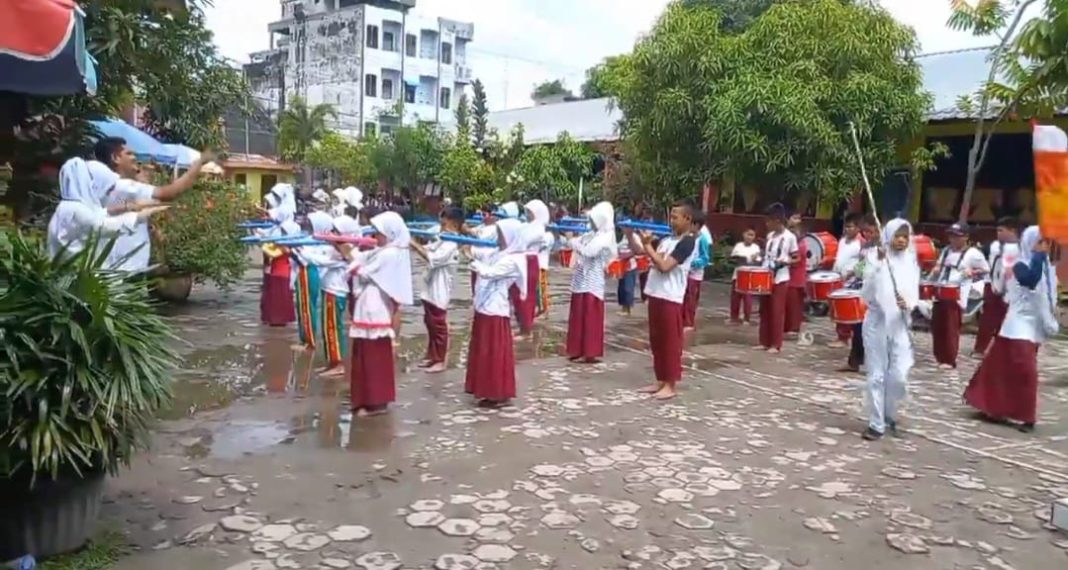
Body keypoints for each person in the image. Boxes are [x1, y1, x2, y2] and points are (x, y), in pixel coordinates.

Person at [963, 226, 1058, 433]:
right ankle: (1022, 414)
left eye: (1046, 243)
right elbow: (1029, 280)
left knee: (1010, 370)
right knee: (1023, 372)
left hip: (1034, 327)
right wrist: (1039, 256)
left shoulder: (1047, 268)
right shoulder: (1018, 264)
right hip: (1017, 325)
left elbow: (1049, 296)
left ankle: (1003, 409)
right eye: (1040, 242)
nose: (1044, 247)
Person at [93, 137, 212, 274]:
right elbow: (169, 193)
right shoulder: (122, 187)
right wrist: (198, 164)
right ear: (115, 158)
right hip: (124, 271)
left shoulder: (110, 186)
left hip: (122, 268)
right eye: (129, 153)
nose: (134, 157)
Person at [627, 201, 697, 401]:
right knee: (657, 341)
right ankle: (660, 379)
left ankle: (671, 384)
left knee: (670, 342)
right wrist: (630, 234)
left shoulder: (688, 242)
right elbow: (640, 251)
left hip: (671, 297)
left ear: (687, 219)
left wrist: (648, 245)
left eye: (676, 217)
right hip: (656, 293)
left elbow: (665, 266)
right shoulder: (667, 240)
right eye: (671, 216)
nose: (672, 220)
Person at [859, 218, 921, 441]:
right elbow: (865, 294)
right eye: (897, 235)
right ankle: (876, 423)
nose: (901, 240)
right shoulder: (874, 257)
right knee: (877, 374)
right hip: (877, 322)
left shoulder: (911, 261)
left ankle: (888, 413)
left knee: (899, 376)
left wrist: (909, 304)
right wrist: (877, 267)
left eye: (905, 236)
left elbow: (914, 293)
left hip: (900, 324)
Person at [347, 212, 413, 417]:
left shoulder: (390, 254)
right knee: (364, 354)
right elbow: (361, 258)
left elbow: (365, 272)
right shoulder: (383, 251)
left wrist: (353, 262)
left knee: (373, 355)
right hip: (368, 303)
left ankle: (376, 400)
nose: (375, 236)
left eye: (379, 232)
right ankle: (364, 398)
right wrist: (346, 249)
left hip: (376, 306)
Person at [46, 157, 168, 259]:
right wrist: (141, 215)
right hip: (74, 278)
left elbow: (99, 213)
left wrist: (129, 206)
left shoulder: (66, 207)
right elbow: (104, 226)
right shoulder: (76, 210)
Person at [466, 218, 527, 408]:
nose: (498, 238)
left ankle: (496, 392)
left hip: (495, 310)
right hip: (485, 306)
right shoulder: (501, 253)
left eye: (501, 234)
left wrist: (473, 260)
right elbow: (481, 254)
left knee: (492, 352)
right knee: (483, 350)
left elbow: (489, 272)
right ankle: (485, 390)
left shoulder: (513, 260)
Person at [301, 214, 362, 375]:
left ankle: (337, 364)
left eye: (335, 231)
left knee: (332, 328)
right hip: (329, 291)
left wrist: (299, 251)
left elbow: (319, 261)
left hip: (335, 293)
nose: (331, 233)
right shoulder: (334, 249)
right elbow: (319, 255)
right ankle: (332, 361)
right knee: (328, 329)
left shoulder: (345, 252)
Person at [409, 207, 463, 373]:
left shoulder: (451, 243)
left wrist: (413, 244)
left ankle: (440, 359)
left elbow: (433, 257)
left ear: (453, 223)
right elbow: (430, 248)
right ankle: (431, 355)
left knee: (438, 325)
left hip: (440, 287)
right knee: (430, 322)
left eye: (444, 223)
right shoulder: (443, 239)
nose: (441, 226)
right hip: (430, 286)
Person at [929, 223, 989, 369]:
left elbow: (986, 269)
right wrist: (936, 269)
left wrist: (972, 272)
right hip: (941, 289)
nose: (953, 239)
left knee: (951, 328)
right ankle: (940, 356)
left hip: (956, 293)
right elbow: (938, 266)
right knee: (938, 327)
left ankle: (949, 359)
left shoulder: (973, 254)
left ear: (966, 237)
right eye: (951, 236)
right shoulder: (946, 251)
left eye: (957, 236)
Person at [565, 201, 617, 363]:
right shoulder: (592, 234)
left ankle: (589, 351)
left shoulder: (606, 236)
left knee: (590, 318)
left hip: (593, 282)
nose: (591, 223)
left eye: (594, 220)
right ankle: (576, 349)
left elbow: (589, 251)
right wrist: (572, 240)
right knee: (578, 316)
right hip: (581, 279)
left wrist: (573, 242)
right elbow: (576, 243)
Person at [972, 218, 1020, 356]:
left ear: (1012, 231)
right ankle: (979, 349)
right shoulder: (993, 246)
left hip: (1010, 288)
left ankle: (1001, 350)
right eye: (997, 230)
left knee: (1006, 321)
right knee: (987, 320)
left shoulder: (1020, 249)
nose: (998, 233)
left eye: (1001, 230)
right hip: (992, 285)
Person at [756, 204, 799, 353]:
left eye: (769, 221)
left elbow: (796, 258)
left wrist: (786, 261)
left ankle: (776, 344)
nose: (767, 224)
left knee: (777, 311)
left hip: (780, 277)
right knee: (764, 309)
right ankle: (764, 341)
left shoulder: (790, 237)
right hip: (766, 275)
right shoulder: (770, 236)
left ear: (777, 220)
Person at [291, 211, 335, 350]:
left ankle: (308, 341)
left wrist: (297, 250)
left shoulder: (324, 244)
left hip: (308, 272)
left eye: (310, 223)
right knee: (303, 306)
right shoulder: (312, 239)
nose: (307, 225)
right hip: (305, 272)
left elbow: (307, 259)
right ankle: (304, 338)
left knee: (307, 307)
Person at [258, 183, 301, 327]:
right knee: (275, 294)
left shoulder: (288, 226)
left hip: (282, 269)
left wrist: (267, 246)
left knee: (280, 295)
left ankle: (278, 320)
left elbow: (275, 249)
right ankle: (272, 318)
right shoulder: (278, 227)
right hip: (276, 268)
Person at [845, 216, 879, 372]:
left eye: (871, 232)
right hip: (863, 288)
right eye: (866, 232)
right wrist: (851, 273)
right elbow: (861, 266)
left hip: (878, 291)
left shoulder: (884, 248)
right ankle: (855, 360)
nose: (868, 235)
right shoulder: (864, 247)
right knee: (858, 325)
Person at [829, 213, 865, 347]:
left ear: (857, 228)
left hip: (852, 280)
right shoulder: (843, 240)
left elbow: (863, 262)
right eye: (846, 227)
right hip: (839, 277)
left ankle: (845, 337)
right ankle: (840, 335)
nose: (847, 229)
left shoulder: (861, 243)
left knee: (847, 309)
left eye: (850, 227)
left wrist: (852, 273)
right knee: (838, 308)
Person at [517, 199, 548, 334]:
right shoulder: (526, 226)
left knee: (531, 293)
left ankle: (528, 326)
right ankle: (524, 323)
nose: (528, 214)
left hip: (533, 262)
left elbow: (522, 242)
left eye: (530, 212)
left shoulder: (539, 229)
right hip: (522, 261)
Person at [683, 211, 712, 331]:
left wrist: (693, 264)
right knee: (684, 297)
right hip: (685, 272)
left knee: (691, 299)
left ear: (696, 225)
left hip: (695, 274)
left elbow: (705, 258)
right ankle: (683, 319)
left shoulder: (702, 240)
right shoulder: (688, 237)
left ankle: (689, 322)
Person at [728, 228, 761, 325]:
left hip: (749, 275)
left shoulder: (756, 248)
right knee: (735, 297)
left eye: (752, 235)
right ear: (744, 234)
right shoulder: (738, 246)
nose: (749, 237)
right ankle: (734, 317)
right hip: (737, 274)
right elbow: (733, 258)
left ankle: (747, 318)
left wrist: (754, 259)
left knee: (747, 297)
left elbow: (758, 261)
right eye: (748, 234)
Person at [466, 204, 500, 296]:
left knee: (483, 287)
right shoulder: (482, 226)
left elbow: (481, 236)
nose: (482, 217)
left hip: (487, 262)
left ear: (493, 216)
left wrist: (465, 229)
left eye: (484, 215)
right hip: (476, 260)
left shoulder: (496, 228)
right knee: (475, 288)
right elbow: (472, 231)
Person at [784, 213, 807, 338]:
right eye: (793, 217)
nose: (795, 221)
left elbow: (798, 257)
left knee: (795, 304)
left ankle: (794, 327)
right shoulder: (786, 235)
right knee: (787, 303)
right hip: (786, 275)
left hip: (797, 276)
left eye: (798, 218)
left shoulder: (802, 241)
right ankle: (786, 326)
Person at [616, 231, 639, 317]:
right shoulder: (622, 237)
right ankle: (623, 307)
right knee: (621, 287)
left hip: (630, 265)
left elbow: (638, 250)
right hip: (621, 265)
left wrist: (626, 256)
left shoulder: (634, 237)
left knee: (628, 287)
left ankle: (627, 308)